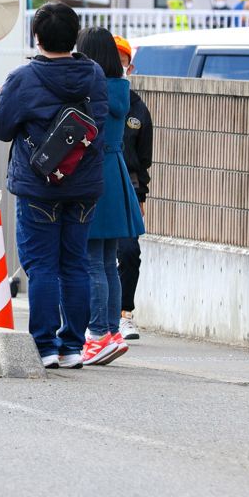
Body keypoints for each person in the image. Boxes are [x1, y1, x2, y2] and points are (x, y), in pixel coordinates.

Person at [0, 2, 107, 369]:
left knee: (41, 266)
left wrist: (0, 95)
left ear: (37, 37)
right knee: (75, 264)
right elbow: (98, 125)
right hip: (84, 184)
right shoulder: (95, 75)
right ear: (75, 35)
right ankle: (72, 347)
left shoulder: (24, 78)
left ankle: (45, 345)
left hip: (40, 185)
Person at [77, 27, 145, 365]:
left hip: (95, 171)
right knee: (107, 261)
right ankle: (112, 332)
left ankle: (97, 335)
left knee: (92, 259)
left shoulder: (92, 88)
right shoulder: (121, 87)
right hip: (116, 172)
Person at [114, 36, 152, 342]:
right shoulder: (91, 99)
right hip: (96, 188)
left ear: (131, 66)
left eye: (122, 59)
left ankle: (125, 314)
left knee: (129, 252)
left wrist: (141, 197)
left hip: (128, 189)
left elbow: (143, 159)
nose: (118, 64)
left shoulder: (138, 109)